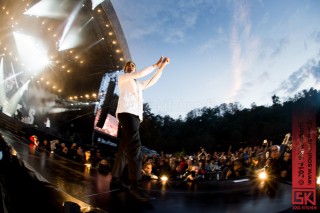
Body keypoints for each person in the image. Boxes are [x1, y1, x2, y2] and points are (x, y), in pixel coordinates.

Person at [110, 56, 170, 201]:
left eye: (133, 65)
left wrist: (162, 67)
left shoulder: (138, 85)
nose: (130, 66)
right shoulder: (123, 78)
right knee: (135, 145)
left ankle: (115, 180)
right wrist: (154, 64)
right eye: (128, 66)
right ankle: (135, 185)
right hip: (126, 112)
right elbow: (140, 74)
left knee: (124, 148)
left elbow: (152, 80)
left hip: (136, 117)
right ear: (126, 69)